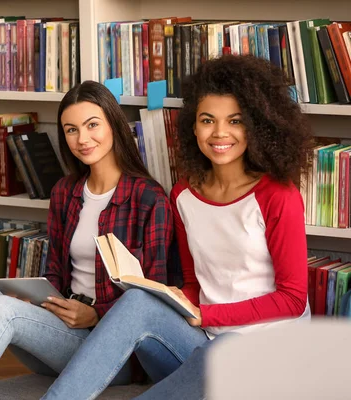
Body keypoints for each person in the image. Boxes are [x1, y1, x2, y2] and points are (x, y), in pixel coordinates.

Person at [41, 55, 315, 400]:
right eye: (207, 120)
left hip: (266, 349)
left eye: (235, 120)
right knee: (138, 300)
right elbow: (193, 282)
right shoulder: (184, 194)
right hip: (202, 338)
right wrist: (171, 299)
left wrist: (207, 315)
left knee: (223, 353)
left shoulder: (278, 195)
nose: (219, 133)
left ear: (256, 126)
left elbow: (293, 299)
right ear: (193, 127)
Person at [0, 80, 174, 400]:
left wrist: (97, 314)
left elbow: (155, 298)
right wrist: (35, 300)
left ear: (114, 125)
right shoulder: (65, 192)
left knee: (5, 310)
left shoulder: (149, 198)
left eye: (92, 125)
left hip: (114, 354)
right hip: (63, 329)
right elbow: (55, 273)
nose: (83, 138)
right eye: (71, 130)